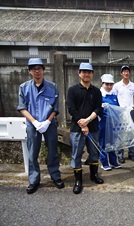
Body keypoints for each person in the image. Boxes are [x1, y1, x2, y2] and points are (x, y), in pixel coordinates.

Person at [17, 58, 64, 194]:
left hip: (49, 124)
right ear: (30, 71)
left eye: (39, 68)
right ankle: (34, 180)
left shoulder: (53, 86)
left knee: (53, 151)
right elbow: (22, 108)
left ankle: (55, 176)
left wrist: (48, 121)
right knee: (32, 153)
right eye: (33, 68)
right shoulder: (24, 87)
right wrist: (35, 122)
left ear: (43, 70)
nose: (37, 71)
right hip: (33, 125)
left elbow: (55, 107)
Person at [67, 62, 104, 194]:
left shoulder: (96, 91)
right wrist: (82, 124)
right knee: (76, 154)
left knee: (94, 153)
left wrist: (87, 121)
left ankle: (94, 175)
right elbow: (71, 109)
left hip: (93, 127)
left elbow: (98, 108)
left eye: (89, 72)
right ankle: (78, 181)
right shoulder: (72, 90)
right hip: (77, 129)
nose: (86, 74)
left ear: (92, 74)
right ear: (79, 73)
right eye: (83, 71)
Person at [112, 65, 134, 163]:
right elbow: (114, 99)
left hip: (131, 111)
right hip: (120, 112)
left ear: (130, 73)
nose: (126, 73)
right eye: (124, 71)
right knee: (120, 134)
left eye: (127, 71)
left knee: (131, 133)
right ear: (121, 73)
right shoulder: (116, 86)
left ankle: (131, 154)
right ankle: (120, 155)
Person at [98, 73, 122, 170]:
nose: (109, 87)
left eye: (110, 84)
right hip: (102, 123)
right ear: (102, 84)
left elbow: (117, 108)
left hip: (112, 123)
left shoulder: (114, 95)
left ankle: (113, 161)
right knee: (103, 143)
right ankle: (104, 162)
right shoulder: (99, 95)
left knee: (112, 143)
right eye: (106, 84)